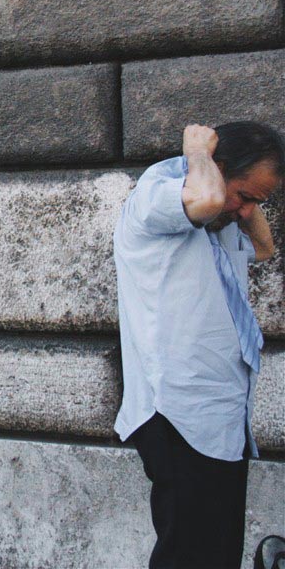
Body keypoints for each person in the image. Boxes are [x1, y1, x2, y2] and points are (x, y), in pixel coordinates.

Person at [113, 121, 285, 569]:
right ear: (217, 166)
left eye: (256, 202)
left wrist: (246, 202)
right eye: (245, 196)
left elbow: (264, 248)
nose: (245, 211)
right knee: (187, 557)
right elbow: (210, 196)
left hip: (220, 415)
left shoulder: (221, 221)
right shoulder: (160, 193)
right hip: (177, 415)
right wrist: (197, 152)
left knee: (216, 554)